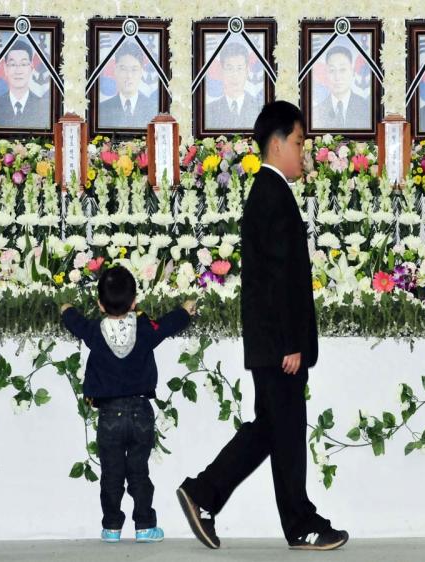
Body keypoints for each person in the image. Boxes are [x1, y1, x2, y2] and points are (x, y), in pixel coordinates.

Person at [176, 101, 349, 551]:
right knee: (284, 433)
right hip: (279, 345)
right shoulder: (271, 194)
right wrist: (289, 343)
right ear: (276, 144)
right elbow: (274, 280)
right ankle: (298, 524)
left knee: (273, 429)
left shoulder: (271, 193)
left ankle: (205, 493)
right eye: (298, 143)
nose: (303, 153)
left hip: (274, 343)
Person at [61, 265, 196, 544]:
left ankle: (111, 526)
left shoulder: (95, 332)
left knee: (111, 473)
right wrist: (185, 309)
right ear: (134, 302)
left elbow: (75, 323)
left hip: (109, 414)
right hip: (140, 413)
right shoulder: (145, 329)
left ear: (99, 304)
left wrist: (66, 309)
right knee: (138, 471)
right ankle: (145, 525)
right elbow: (169, 325)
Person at [0, 40, 50, 129]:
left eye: (23, 64)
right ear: (5, 68)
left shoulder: (43, 107)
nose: (18, 71)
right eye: (13, 64)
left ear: (31, 67)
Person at [98, 42, 158, 129]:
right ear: (115, 70)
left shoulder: (153, 109)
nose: (129, 75)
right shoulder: (103, 109)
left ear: (141, 72)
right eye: (123, 69)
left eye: (134, 69)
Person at [205, 41, 261, 130]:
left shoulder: (259, 108)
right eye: (229, 68)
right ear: (222, 71)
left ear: (247, 72)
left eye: (239, 68)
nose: (235, 75)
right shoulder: (208, 110)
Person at [313, 45, 370, 130]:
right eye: (332, 70)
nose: (337, 77)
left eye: (342, 70)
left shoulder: (366, 109)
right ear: (326, 74)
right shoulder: (316, 112)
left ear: (352, 72)